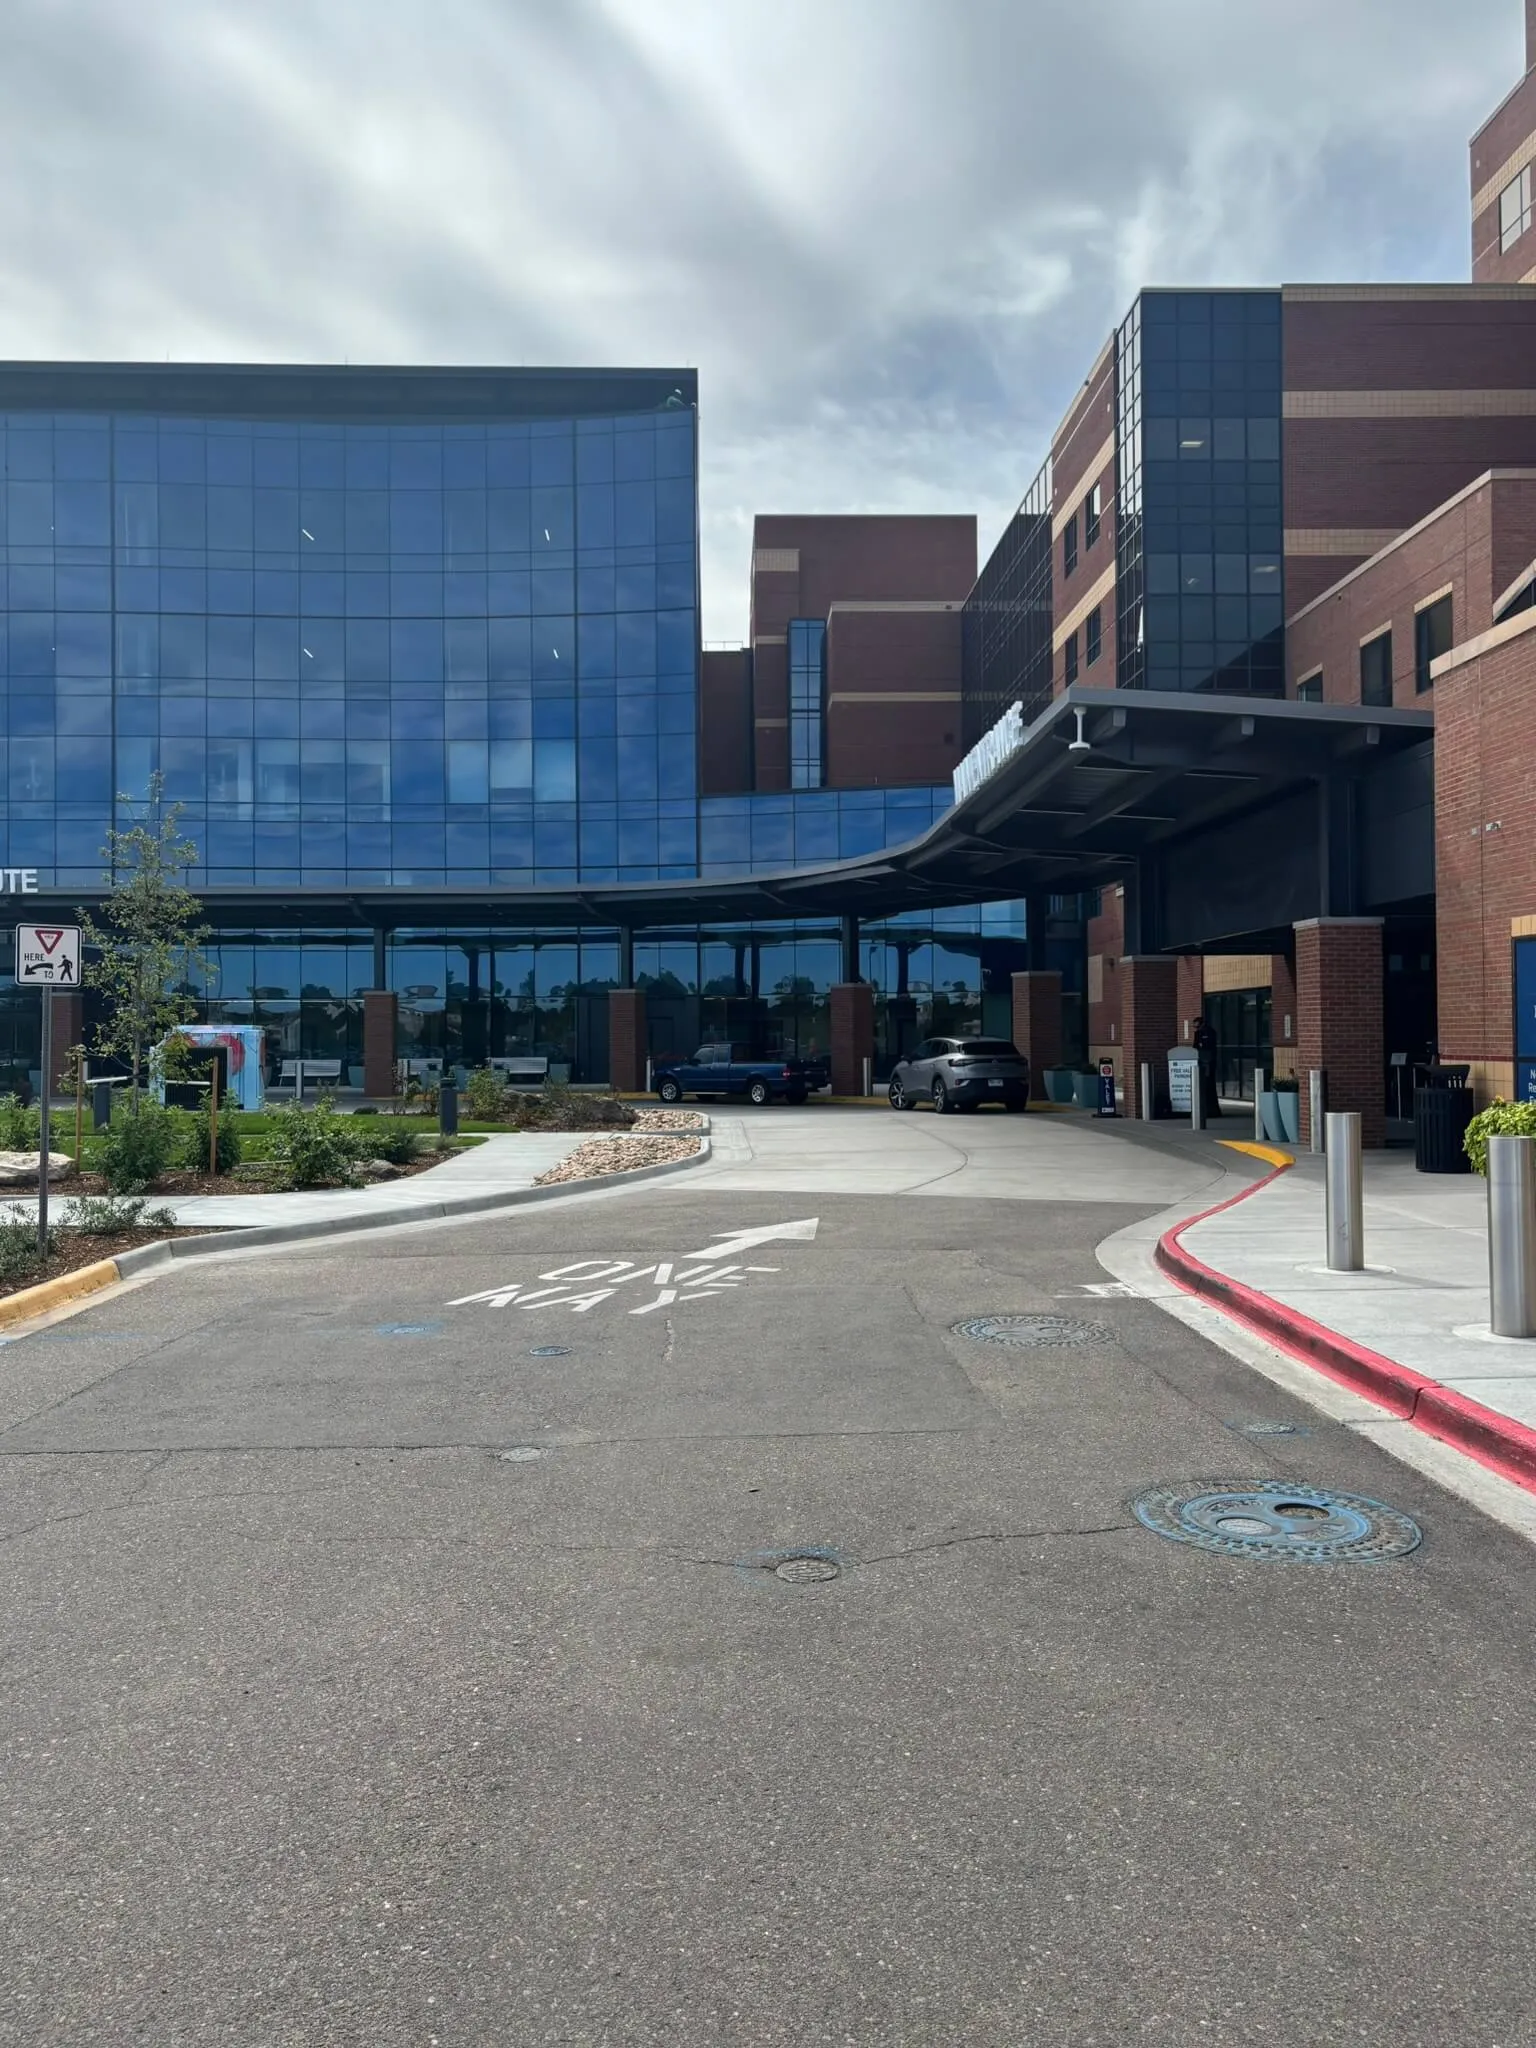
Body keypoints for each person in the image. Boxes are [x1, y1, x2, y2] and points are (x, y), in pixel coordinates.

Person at [1192, 1016, 1222, 1120]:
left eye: (1196, 1025)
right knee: (1205, 1086)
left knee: (1209, 1086)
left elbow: (1205, 1046)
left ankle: (1211, 1110)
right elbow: (1195, 1046)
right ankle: (1208, 1109)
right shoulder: (1199, 1033)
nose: (1196, 1028)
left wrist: (1201, 1044)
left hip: (1208, 1061)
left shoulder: (1209, 1032)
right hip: (1202, 1061)